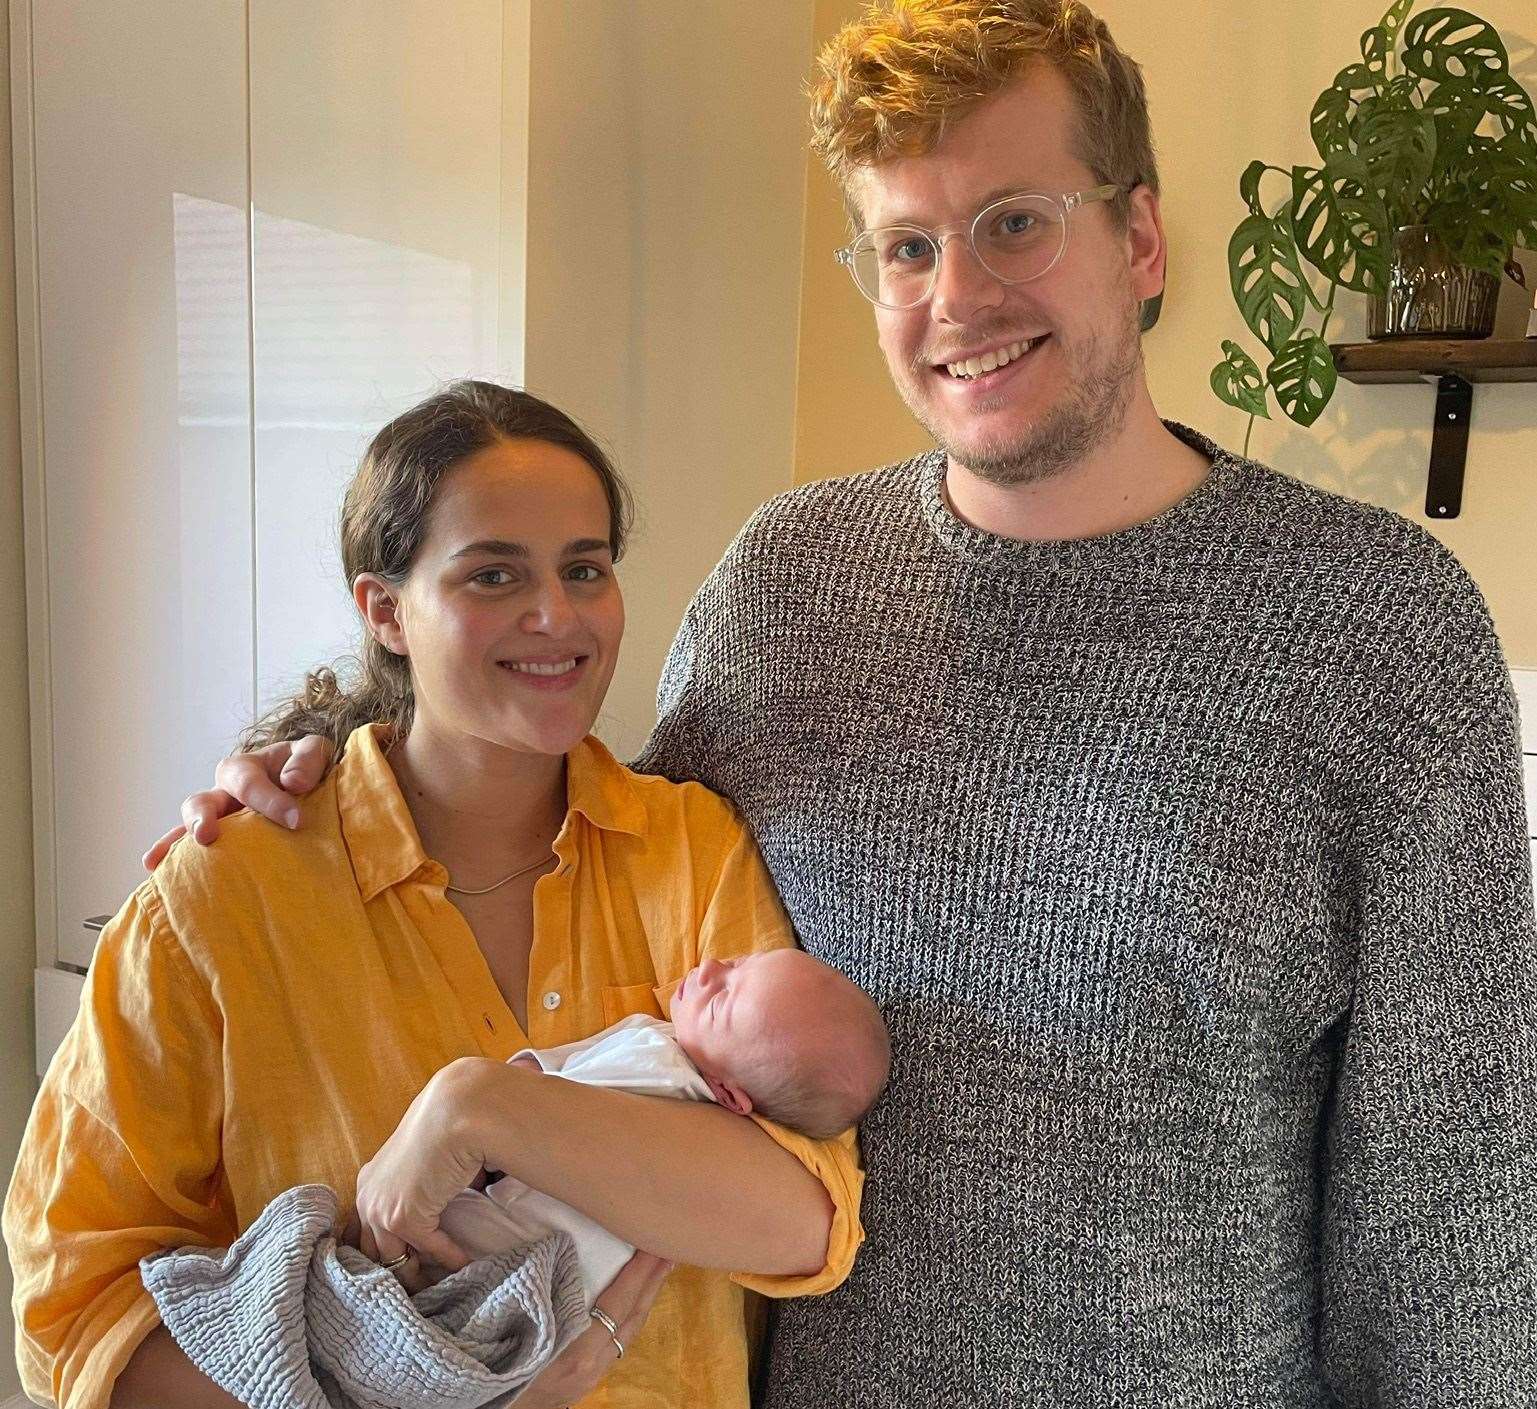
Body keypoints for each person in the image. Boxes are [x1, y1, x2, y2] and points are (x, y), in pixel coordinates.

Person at [150, 0, 1537, 1403]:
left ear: (1137, 239)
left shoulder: (1374, 623)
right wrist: (314, 764)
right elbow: (588, 856)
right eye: (906, 245)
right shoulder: (786, 584)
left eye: (1015, 222)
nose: (959, 298)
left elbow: (1451, 1195)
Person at [5, 382, 867, 1409]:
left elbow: (803, 1220)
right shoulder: (222, 897)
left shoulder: (687, 844)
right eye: (493, 573)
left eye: (584, 567)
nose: (557, 615)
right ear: (385, 612)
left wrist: (486, 1104)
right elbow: (77, 1313)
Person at [440, 949, 890, 1310]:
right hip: (528, 1245)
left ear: (732, 1097)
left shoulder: (669, 1074)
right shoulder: (653, 1033)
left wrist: (501, 1099)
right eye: (737, 964)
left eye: (719, 1002)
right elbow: (551, 1071)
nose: (710, 967)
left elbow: (546, 1094)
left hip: (524, 1249)